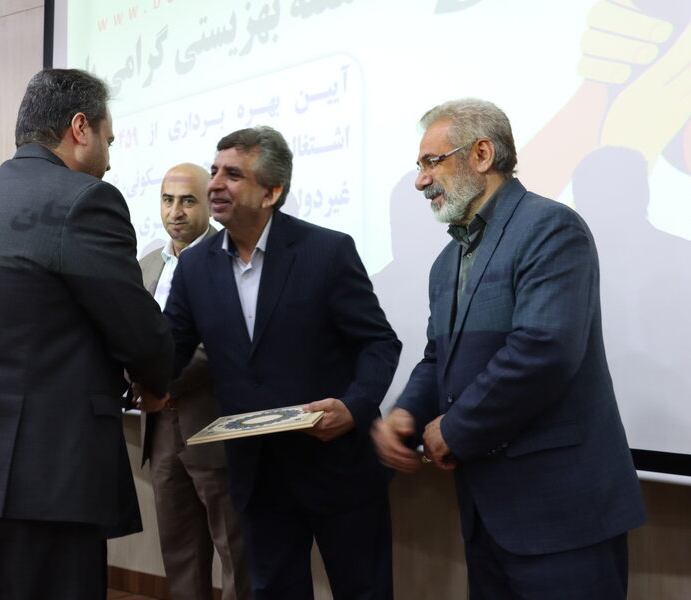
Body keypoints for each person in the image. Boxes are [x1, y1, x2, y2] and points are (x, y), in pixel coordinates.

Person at [0, 68, 174, 600]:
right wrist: (155, 384)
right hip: (34, 487)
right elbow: (138, 332)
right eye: (109, 140)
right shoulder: (85, 199)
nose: (110, 160)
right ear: (80, 128)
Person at [372, 98, 647, 599]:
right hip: (487, 517)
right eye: (419, 165)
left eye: (432, 161)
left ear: (482, 154)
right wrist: (406, 412)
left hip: (563, 515)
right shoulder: (446, 262)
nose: (420, 180)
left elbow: (544, 350)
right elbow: (438, 358)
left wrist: (454, 429)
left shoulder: (550, 227)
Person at [160, 126, 401, 599]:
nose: (214, 185)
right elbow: (169, 353)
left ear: (271, 192)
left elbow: (378, 343)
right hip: (256, 476)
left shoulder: (326, 251)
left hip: (338, 468)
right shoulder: (194, 265)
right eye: (214, 171)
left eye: (233, 175)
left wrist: (353, 407)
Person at [137, 163, 250, 600]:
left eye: (187, 201)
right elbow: (129, 333)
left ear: (209, 203)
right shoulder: (146, 264)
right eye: (167, 200)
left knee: (236, 552)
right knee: (180, 550)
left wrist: (161, 384)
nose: (176, 211)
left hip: (213, 423)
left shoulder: (230, 256)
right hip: (160, 427)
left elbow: (220, 341)